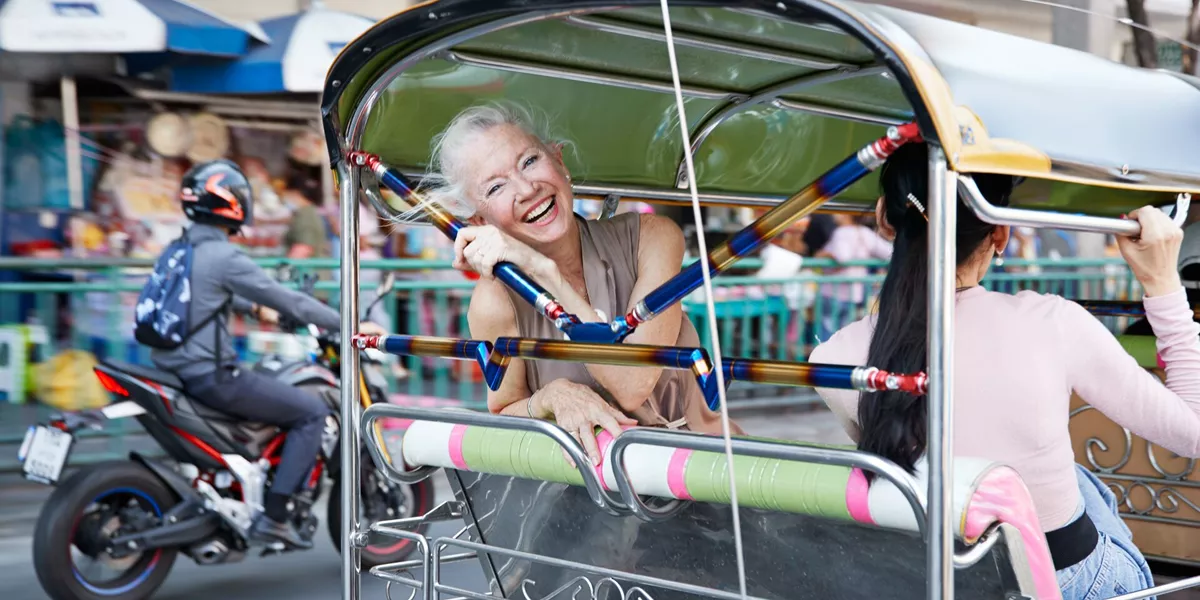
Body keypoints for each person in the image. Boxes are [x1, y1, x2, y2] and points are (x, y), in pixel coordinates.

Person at [809, 142, 1200, 599]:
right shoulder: (1054, 322)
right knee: (1075, 481)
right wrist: (1163, 284)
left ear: (883, 218)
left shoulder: (833, 359)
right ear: (1000, 235)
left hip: (935, 579)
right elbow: (1192, 431)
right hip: (1066, 580)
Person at [412, 102, 741, 465]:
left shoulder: (653, 236)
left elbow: (632, 384)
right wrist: (552, 396)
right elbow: (504, 410)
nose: (526, 188)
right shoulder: (495, 301)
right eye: (496, 188)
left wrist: (544, 271)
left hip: (709, 469)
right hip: (596, 493)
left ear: (559, 162)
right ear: (478, 218)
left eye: (529, 161)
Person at [149, 160, 386, 549]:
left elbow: (203, 293)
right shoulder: (223, 256)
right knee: (312, 413)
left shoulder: (178, 249)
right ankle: (274, 517)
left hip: (172, 368)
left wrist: (253, 308)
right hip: (212, 376)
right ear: (232, 204)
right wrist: (352, 325)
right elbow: (290, 300)